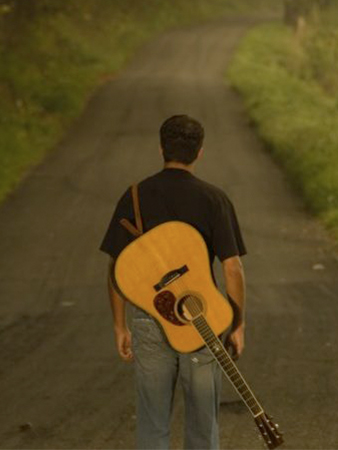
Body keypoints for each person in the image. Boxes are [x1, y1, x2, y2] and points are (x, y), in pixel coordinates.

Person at [100, 115, 247, 449]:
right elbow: (233, 268)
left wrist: (120, 325)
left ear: (161, 148)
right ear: (200, 152)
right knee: (202, 426)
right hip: (202, 323)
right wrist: (237, 324)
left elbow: (117, 267)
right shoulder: (214, 199)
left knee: (152, 424)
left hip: (150, 321)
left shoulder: (135, 196)